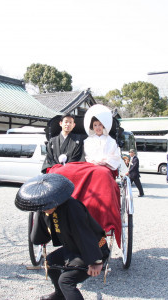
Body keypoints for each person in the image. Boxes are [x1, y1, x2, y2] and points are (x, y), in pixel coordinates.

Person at [15, 173, 110, 300]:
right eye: (43, 206)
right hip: (73, 247)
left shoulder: (73, 208)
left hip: (95, 249)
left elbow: (85, 236)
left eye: (46, 206)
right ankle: (60, 295)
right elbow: (38, 238)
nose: (45, 209)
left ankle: (65, 292)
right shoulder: (46, 209)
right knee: (49, 261)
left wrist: (96, 262)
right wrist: (39, 212)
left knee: (65, 280)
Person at [48, 104, 123, 247]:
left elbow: (115, 157)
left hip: (106, 167)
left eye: (100, 125)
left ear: (104, 126)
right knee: (72, 171)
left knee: (102, 173)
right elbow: (87, 156)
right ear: (92, 126)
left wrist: (104, 161)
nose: (98, 127)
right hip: (91, 165)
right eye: (95, 125)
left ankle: (102, 215)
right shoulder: (87, 141)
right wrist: (95, 161)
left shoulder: (111, 141)